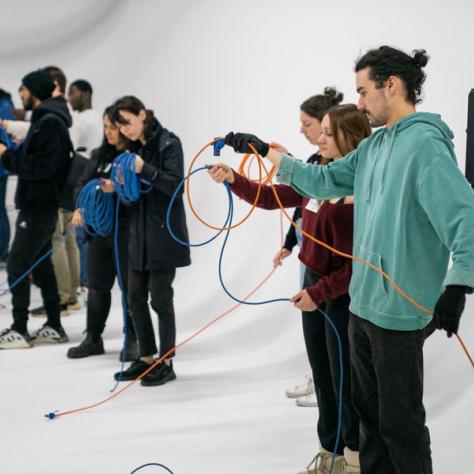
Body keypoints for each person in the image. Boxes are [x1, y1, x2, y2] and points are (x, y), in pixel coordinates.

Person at [224, 46, 474, 474]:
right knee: (369, 422)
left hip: (400, 313)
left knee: (401, 424)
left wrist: (458, 285)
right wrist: (267, 152)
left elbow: (464, 216)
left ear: (390, 85)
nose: (358, 103)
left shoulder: (425, 147)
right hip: (361, 307)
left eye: (362, 91)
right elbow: (321, 179)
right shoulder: (374, 148)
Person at [209, 103, 371, 474]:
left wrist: (320, 293)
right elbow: (271, 198)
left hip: (342, 293)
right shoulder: (317, 176)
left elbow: (360, 263)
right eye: (322, 130)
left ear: (351, 137)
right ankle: (328, 455)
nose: (321, 138)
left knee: (346, 381)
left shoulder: (362, 187)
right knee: (324, 378)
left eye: (329, 132)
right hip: (315, 286)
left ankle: (353, 460)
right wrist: (234, 179)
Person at [110, 96, 191, 386]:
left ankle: (166, 362)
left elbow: (176, 186)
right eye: (120, 126)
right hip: (138, 236)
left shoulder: (169, 143)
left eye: (128, 122)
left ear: (142, 114)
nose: (124, 130)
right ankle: (146, 358)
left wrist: (145, 169)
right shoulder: (133, 149)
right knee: (134, 299)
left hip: (163, 235)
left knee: (160, 300)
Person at [279, 88, 342, 408]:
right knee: (314, 325)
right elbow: (300, 206)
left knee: (329, 326)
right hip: (309, 254)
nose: (303, 130)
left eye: (307, 124)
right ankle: (322, 381)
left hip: (330, 265)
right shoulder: (314, 163)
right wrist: (289, 244)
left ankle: (329, 387)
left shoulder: (340, 173)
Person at [0, 69, 72, 348]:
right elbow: (38, 158)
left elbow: (43, 167)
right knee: (43, 269)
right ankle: (54, 324)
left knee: (18, 265)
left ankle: (19, 328)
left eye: (24, 89)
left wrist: (7, 157)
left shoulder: (50, 123)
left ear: (36, 91)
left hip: (39, 207)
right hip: (38, 205)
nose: (21, 94)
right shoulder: (46, 121)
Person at [67, 105, 139, 360]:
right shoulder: (99, 155)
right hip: (100, 234)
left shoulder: (135, 157)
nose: (108, 133)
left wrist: (116, 189)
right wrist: (80, 207)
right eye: (106, 127)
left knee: (131, 289)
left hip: (127, 233)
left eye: (112, 128)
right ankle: (93, 338)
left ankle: (134, 339)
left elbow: (137, 192)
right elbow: (81, 185)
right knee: (97, 287)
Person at [30, 66, 82, 318]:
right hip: (69, 183)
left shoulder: (53, 114)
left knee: (57, 239)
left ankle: (62, 298)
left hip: (58, 187)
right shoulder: (65, 111)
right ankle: (71, 295)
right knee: (67, 238)